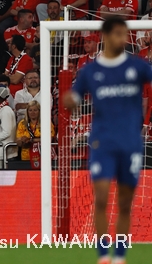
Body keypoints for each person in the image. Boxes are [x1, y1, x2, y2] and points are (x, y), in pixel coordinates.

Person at [64, 18, 152, 264]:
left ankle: (120, 256)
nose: (122, 39)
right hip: (102, 142)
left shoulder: (138, 66)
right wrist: (70, 101)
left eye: (124, 34)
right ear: (105, 35)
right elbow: (74, 97)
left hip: (131, 143)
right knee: (101, 198)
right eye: (116, 34)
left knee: (125, 202)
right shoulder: (90, 71)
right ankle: (103, 255)